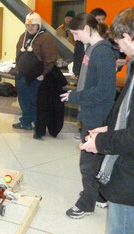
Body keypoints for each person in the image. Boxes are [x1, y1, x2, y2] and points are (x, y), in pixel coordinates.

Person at [81, 8, 134, 233]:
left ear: (128, 37)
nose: (119, 49)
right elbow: (127, 112)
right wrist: (109, 128)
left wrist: (101, 142)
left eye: (119, 42)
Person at [60, 12, 116, 219]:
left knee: (88, 163)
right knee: (97, 160)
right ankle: (99, 195)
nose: (75, 38)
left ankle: (86, 204)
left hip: (97, 116)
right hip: (91, 112)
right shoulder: (92, 49)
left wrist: (76, 97)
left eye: (76, 33)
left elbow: (105, 91)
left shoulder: (102, 52)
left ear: (87, 29)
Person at [12, 11, 57, 135]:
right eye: (28, 25)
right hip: (21, 76)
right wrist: (17, 69)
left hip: (36, 78)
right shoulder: (23, 36)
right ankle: (26, 122)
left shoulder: (46, 38)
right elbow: (18, 54)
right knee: (24, 101)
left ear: (39, 26)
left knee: (35, 102)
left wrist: (43, 74)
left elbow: (51, 58)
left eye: (33, 25)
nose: (30, 27)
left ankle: (38, 124)